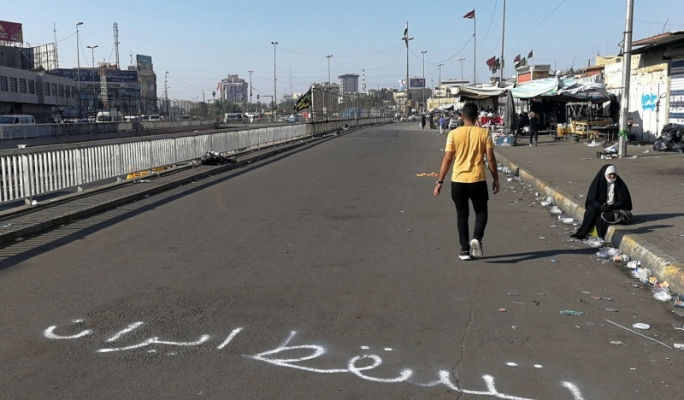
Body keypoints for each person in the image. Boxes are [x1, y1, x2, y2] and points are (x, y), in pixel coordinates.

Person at [434, 102, 500, 261]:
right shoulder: (484, 133)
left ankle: (464, 249)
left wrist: (440, 181)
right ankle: (477, 237)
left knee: (462, 215)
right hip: (477, 180)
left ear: (462, 116)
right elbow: (490, 158)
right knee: (481, 211)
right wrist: (495, 178)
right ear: (477, 117)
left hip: (458, 180)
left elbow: (447, 158)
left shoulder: (453, 134)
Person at [570, 164, 633, 240]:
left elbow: (624, 201)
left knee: (604, 217)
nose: (612, 176)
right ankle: (582, 233)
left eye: (614, 174)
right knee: (590, 212)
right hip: (601, 206)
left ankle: (600, 237)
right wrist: (600, 207)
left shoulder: (620, 184)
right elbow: (592, 199)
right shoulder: (598, 183)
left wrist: (611, 206)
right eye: (610, 174)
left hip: (614, 209)